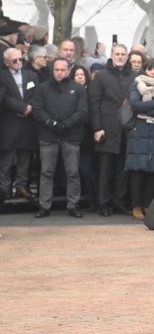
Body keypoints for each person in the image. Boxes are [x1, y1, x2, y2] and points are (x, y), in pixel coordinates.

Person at [30, 57, 88, 217]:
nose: (60, 73)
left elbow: (82, 112)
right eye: (57, 69)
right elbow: (37, 109)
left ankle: (73, 205)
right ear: (52, 70)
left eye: (63, 70)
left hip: (71, 136)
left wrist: (66, 124)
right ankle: (44, 206)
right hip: (48, 136)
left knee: (73, 173)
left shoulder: (78, 89)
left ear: (69, 70)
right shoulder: (42, 88)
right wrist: (52, 123)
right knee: (46, 172)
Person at [89, 43, 134, 215]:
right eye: (117, 54)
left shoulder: (135, 76)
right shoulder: (101, 76)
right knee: (105, 170)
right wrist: (97, 127)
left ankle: (119, 202)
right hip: (107, 129)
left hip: (128, 129)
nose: (120, 57)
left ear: (127, 56)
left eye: (123, 54)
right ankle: (104, 204)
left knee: (123, 170)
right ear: (111, 55)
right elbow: (94, 104)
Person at [124, 59, 154, 219]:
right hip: (139, 132)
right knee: (138, 171)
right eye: (149, 69)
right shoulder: (136, 84)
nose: (152, 72)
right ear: (145, 70)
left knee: (153, 172)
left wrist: (149, 110)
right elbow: (135, 105)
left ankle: (148, 205)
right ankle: (136, 206)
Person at [0, 46, 38, 203]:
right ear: (6, 62)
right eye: (14, 60)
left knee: (25, 157)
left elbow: (37, 94)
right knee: (7, 159)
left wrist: (31, 107)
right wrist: (22, 107)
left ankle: (22, 187)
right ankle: (4, 188)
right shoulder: (2, 76)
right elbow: (4, 98)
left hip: (27, 123)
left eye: (20, 59)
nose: (18, 63)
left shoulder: (31, 75)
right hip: (10, 123)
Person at [70, 65, 98, 210]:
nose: (80, 77)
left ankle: (93, 199)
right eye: (77, 75)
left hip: (87, 138)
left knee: (86, 170)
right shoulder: (69, 92)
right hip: (71, 136)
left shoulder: (91, 92)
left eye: (82, 74)